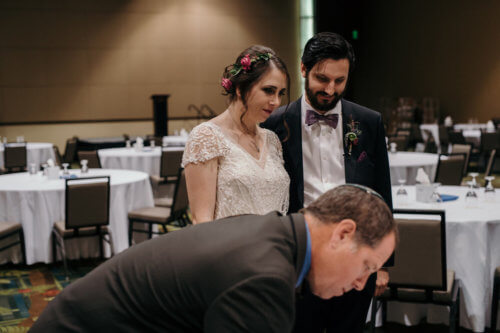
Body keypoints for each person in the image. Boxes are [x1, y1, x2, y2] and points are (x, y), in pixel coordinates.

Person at [30, 185, 397, 332]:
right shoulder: (266, 278)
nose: (361, 284)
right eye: (367, 266)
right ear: (343, 233)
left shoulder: (272, 233)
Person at [262, 32, 393, 332]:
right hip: (300, 255)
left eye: (340, 81)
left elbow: (381, 193)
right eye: (322, 79)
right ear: (304, 69)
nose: (331, 89)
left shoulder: (368, 122)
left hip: (356, 257)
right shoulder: (274, 123)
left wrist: (382, 263)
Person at [182, 45, 291, 223]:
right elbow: (201, 221)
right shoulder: (206, 137)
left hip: (274, 246)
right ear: (240, 88)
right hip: (230, 247)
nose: (276, 102)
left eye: (281, 93)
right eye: (269, 90)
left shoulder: (272, 139)